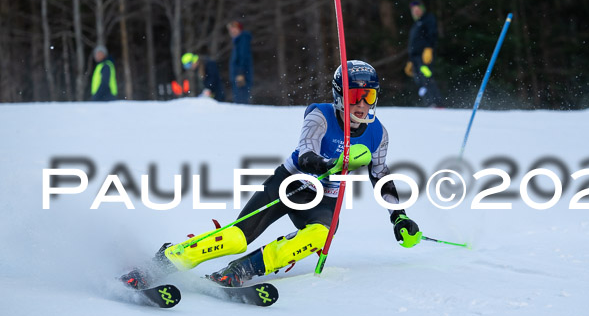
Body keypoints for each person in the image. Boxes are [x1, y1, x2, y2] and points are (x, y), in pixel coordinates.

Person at [122, 60, 422, 289]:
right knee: (237, 237)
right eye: (355, 95)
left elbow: (381, 177)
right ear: (340, 95)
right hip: (289, 183)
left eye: (369, 96)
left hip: (324, 198)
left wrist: (399, 216)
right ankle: (163, 263)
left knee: (320, 234)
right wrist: (323, 163)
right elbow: (306, 152)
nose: (362, 104)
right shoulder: (321, 114)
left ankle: (243, 269)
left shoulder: (378, 134)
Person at [404, 0, 441, 106]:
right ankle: (428, 103)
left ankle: (436, 103)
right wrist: (410, 60)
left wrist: (429, 48)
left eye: (417, 9)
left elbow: (432, 34)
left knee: (427, 77)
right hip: (415, 59)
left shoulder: (428, 19)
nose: (415, 12)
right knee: (419, 81)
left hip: (424, 57)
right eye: (413, 10)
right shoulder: (416, 24)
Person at [227, 20, 253, 104]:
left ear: (239, 29)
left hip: (241, 75)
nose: (232, 31)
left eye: (234, 28)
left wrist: (240, 73)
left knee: (241, 101)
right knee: (239, 100)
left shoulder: (243, 39)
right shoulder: (237, 41)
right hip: (238, 74)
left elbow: (243, 56)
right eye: (231, 29)